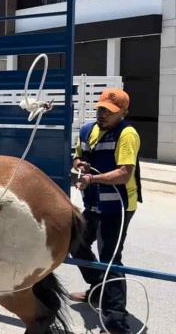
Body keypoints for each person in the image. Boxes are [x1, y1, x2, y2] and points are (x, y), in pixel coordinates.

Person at [71, 88, 142, 334]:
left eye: (109, 112)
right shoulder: (87, 131)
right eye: (101, 109)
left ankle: (115, 322)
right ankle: (98, 287)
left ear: (124, 112)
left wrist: (91, 179)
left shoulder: (127, 134)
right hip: (93, 204)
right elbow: (78, 157)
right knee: (75, 242)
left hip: (117, 206)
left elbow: (124, 173)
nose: (103, 115)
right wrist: (78, 164)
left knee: (110, 258)